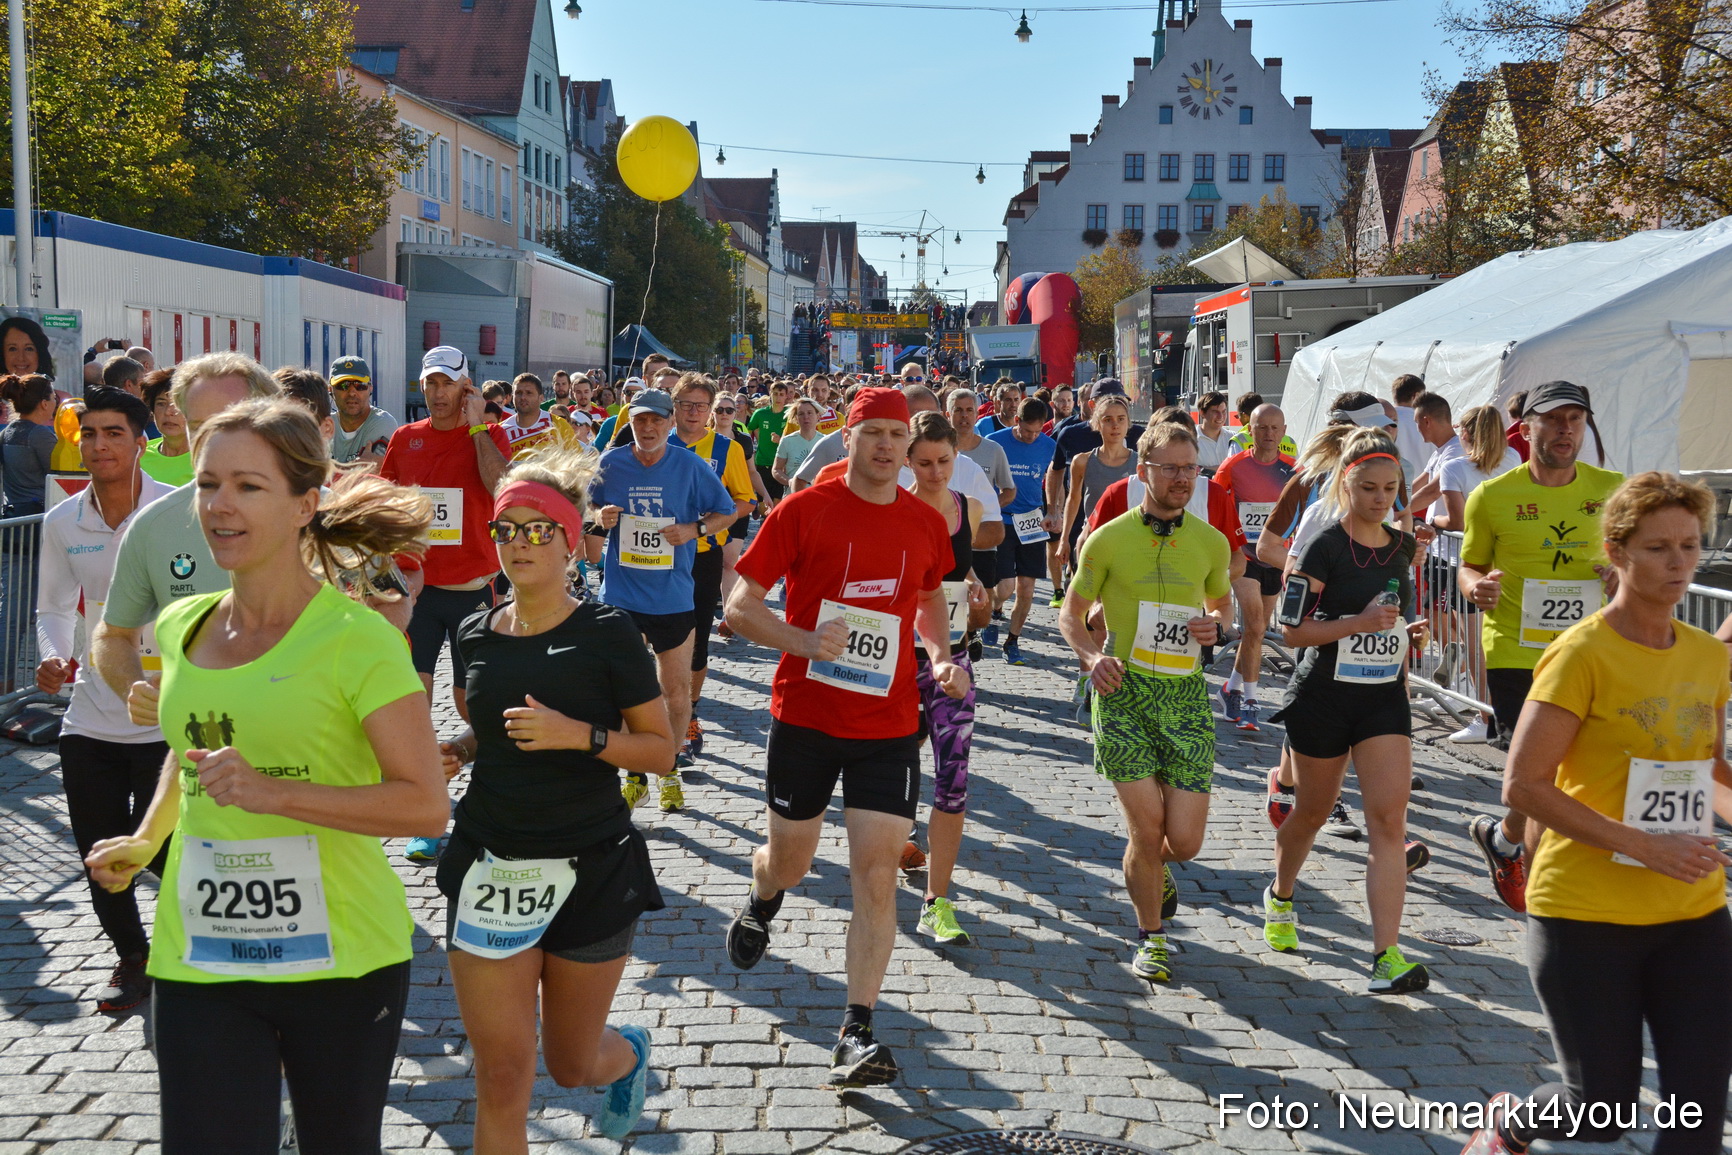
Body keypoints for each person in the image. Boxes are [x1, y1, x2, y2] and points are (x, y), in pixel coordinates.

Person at [83, 397, 449, 1154]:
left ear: (303, 505)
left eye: (248, 486)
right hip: (202, 952)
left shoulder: (360, 642)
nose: (219, 505)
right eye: (207, 483)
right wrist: (147, 836)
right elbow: (192, 759)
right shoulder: (183, 626)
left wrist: (276, 792)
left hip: (341, 959)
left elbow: (425, 807)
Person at [1459, 472, 1732, 1155]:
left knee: (1699, 1113)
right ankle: (1509, 1124)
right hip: (1586, 911)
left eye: (1691, 546)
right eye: (1658, 547)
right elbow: (1522, 785)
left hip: (1692, 909)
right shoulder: (1581, 653)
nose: (1678, 563)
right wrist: (1642, 844)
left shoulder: (1706, 656)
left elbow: (1710, 767)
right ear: (1617, 552)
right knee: (1600, 1109)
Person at [723, 387, 967, 1086]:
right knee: (792, 861)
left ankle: (855, 1030)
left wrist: (940, 653)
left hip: (888, 725)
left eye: (897, 434)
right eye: (874, 434)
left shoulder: (925, 524)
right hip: (804, 718)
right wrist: (805, 640)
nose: (888, 446)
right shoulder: (804, 510)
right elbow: (740, 606)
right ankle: (765, 893)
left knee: (878, 875)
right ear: (850, 437)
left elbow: (926, 594)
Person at [435, 446, 675, 1147]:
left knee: (570, 1065)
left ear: (572, 540)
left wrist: (579, 734)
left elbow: (659, 750)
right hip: (491, 863)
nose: (521, 543)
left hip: (590, 866)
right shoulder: (473, 631)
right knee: (503, 1074)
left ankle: (626, 1051)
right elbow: (484, 724)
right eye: (508, 528)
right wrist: (461, 748)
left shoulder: (608, 631)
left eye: (540, 529)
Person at [1262, 427, 1433, 995]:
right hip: (1324, 698)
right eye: (1369, 488)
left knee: (1389, 823)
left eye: (1390, 489)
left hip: (1382, 699)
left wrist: (1410, 635)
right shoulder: (1324, 546)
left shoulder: (1402, 546)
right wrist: (1357, 624)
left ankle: (1387, 955)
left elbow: (1393, 616)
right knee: (1310, 814)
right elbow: (1292, 633)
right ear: (1345, 484)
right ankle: (1281, 894)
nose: (1381, 499)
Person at [1059, 422, 1231, 983]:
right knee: (1144, 831)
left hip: (1184, 697)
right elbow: (1070, 613)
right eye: (1170, 468)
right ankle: (1150, 936)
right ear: (1143, 473)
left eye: (1191, 469)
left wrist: (1218, 628)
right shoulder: (1108, 539)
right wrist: (1091, 658)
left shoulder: (1210, 541)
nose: (1183, 479)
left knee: (1183, 841)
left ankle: (1159, 870)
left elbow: (1224, 605)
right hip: (1123, 694)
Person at [35, 388, 177, 1012]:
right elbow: (54, 605)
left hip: (164, 719)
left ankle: (185, 957)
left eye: (113, 433)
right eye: (89, 434)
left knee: (168, 852)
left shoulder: (179, 512)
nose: (99, 446)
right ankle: (133, 957)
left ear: (140, 441)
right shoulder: (63, 521)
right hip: (90, 717)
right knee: (99, 854)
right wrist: (50, 653)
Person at [1456, 381, 1622, 912]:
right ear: (1525, 429)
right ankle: (1553, 896)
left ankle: (1504, 840)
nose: (1565, 429)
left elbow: (1636, 558)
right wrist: (1473, 588)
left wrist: (1623, 575)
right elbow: (1469, 565)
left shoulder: (1614, 489)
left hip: (1594, 652)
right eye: (1552, 419)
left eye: (1575, 418)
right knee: (1540, 777)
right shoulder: (1492, 496)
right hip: (1517, 653)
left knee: (1568, 774)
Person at [91, 354, 282, 722]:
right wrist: (136, 689)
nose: (213, 439)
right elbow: (112, 635)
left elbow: (390, 607)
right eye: (199, 425)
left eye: (230, 423)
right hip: (203, 753)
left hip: (315, 755)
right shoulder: (153, 524)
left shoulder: (325, 511)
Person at [589, 388, 736, 812]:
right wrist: (597, 518)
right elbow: (582, 507)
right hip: (621, 595)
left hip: (673, 596)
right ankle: (634, 774)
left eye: (656, 420)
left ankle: (668, 767)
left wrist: (696, 530)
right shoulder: (611, 463)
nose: (648, 428)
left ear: (670, 423)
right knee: (625, 691)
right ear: (629, 423)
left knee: (675, 693)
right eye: (640, 421)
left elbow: (726, 510)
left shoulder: (690, 466)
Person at [903, 412, 990, 944]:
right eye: (925, 463)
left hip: (951, 659)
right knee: (892, 768)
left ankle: (938, 899)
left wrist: (978, 588)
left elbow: (961, 573)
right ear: (908, 461)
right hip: (891, 658)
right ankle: (893, 839)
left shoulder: (969, 509)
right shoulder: (894, 509)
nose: (936, 473)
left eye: (945, 462)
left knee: (953, 775)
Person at [668, 375, 755, 786]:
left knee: (698, 638)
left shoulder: (726, 448)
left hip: (702, 555)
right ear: (674, 405)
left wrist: (705, 525)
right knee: (657, 637)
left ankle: (691, 712)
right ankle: (660, 711)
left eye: (701, 406)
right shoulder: (654, 441)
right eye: (685, 404)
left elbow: (744, 500)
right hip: (653, 559)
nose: (693, 412)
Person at [1213, 403, 1296, 730]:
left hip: (1275, 559)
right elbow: (1216, 504)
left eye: (1275, 428)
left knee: (1254, 633)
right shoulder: (1233, 466)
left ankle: (1229, 688)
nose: (1269, 434)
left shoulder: (1293, 470)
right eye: (1262, 427)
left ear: (1284, 432)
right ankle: (1250, 700)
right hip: (1243, 558)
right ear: (1250, 429)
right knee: (1257, 626)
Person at [986, 398, 1057, 665]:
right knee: (1005, 587)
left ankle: (1012, 641)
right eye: (1027, 431)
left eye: (1037, 432)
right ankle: (994, 611)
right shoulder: (996, 442)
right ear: (1017, 421)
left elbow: (1055, 479)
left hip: (1032, 522)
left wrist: (1054, 510)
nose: (1032, 437)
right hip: (1002, 519)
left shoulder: (1049, 446)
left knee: (1026, 589)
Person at [1056, 393, 1136, 574]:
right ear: (1098, 423)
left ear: (1127, 423)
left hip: (1130, 544)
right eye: (1108, 419)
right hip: (1092, 540)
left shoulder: (1140, 464)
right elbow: (1074, 499)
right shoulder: (1082, 461)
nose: (1115, 425)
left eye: (1120, 419)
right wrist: (1064, 539)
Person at [1, 373, 57, 515]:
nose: (55, 403)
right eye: (54, 398)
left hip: (12, 516)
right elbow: (58, 474)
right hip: (37, 515)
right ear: (44, 404)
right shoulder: (40, 434)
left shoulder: (6, 432)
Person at [329, 356, 399, 465]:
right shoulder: (323, 425)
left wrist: (325, 468)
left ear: (370, 388)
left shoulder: (383, 422)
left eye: (359, 385)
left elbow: (366, 474)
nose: (352, 393)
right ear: (330, 389)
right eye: (343, 385)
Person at [500, 374, 578, 459]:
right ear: (512, 397)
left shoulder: (558, 425)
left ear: (541, 398)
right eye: (518, 393)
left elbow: (578, 461)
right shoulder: (501, 430)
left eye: (529, 393)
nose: (523, 397)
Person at [140, 372, 193, 486]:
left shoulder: (209, 459)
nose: (168, 411)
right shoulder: (138, 455)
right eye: (161, 404)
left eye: (178, 404)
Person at [749, 379, 791, 504]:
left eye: (781, 394)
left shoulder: (789, 415)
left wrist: (781, 441)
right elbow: (747, 432)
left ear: (786, 396)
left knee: (778, 501)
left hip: (781, 465)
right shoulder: (760, 413)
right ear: (770, 394)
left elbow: (796, 438)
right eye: (775, 394)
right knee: (763, 504)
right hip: (762, 461)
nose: (778, 397)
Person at [773, 398, 824, 487]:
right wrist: (790, 482)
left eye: (809, 413)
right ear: (796, 418)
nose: (806, 417)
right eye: (801, 414)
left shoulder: (825, 441)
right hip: (793, 495)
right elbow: (776, 469)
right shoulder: (787, 441)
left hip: (818, 495)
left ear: (818, 416)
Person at [0, 315, 54, 381]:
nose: (21, 358)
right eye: (13, 349)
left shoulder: (55, 392)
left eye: (29, 349)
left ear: (40, 354)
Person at [1194, 390, 1233, 476]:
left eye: (1224, 412)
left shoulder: (1233, 438)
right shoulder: (1190, 440)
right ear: (1202, 413)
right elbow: (1188, 469)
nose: (1221, 417)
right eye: (1215, 412)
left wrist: (1204, 469)